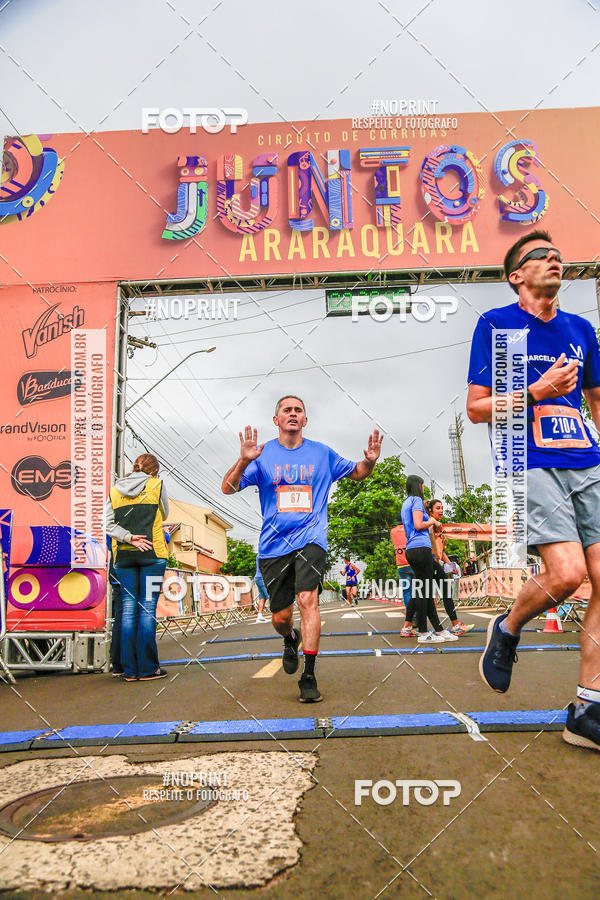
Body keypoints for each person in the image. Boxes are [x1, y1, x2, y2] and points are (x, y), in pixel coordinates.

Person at [467, 229, 600, 750]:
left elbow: (595, 397)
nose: (554, 259)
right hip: (531, 459)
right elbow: (477, 409)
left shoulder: (581, 329)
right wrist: (536, 392)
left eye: (558, 255)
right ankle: (508, 626)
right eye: (540, 256)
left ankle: (588, 709)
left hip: (587, 461)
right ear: (516, 276)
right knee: (566, 575)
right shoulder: (497, 326)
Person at [222, 395, 382, 702]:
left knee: (308, 599)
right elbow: (227, 487)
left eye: (298, 411)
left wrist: (370, 461)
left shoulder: (323, 454)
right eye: (287, 410)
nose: (293, 414)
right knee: (281, 617)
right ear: (277, 419)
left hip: (311, 540)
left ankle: (308, 675)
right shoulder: (262, 454)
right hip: (273, 547)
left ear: (305, 420)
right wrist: (244, 459)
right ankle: (290, 638)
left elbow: (358, 472)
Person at [105, 453, 169, 682]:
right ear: (154, 471)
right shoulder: (157, 485)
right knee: (148, 608)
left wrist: (129, 537)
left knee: (129, 609)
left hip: (123, 558)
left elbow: (108, 525)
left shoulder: (114, 490)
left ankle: (130, 671)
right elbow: (165, 513)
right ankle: (149, 668)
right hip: (153, 557)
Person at [400, 477, 458, 644]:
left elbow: (408, 530)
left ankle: (438, 630)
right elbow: (419, 525)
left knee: (426, 589)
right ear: (419, 486)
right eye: (423, 485)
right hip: (421, 548)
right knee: (423, 592)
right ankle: (424, 633)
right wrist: (432, 521)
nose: (424, 488)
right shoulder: (416, 500)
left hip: (412, 549)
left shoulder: (405, 503)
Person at [428, 499, 474, 636]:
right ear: (430, 511)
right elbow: (433, 546)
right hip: (429, 561)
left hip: (435, 562)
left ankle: (454, 625)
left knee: (432, 594)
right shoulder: (431, 523)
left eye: (442, 508)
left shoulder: (439, 526)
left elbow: (442, 551)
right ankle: (454, 625)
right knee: (429, 594)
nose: (441, 510)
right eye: (437, 508)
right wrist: (436, 557)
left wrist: (449, 564)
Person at [254, 557, 270, 624]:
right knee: (270, 595)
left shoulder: (259, 555)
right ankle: (278, 615)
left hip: (257, 577)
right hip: (262, 577)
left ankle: (259, 616)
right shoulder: (264, 554)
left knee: (262, 597)